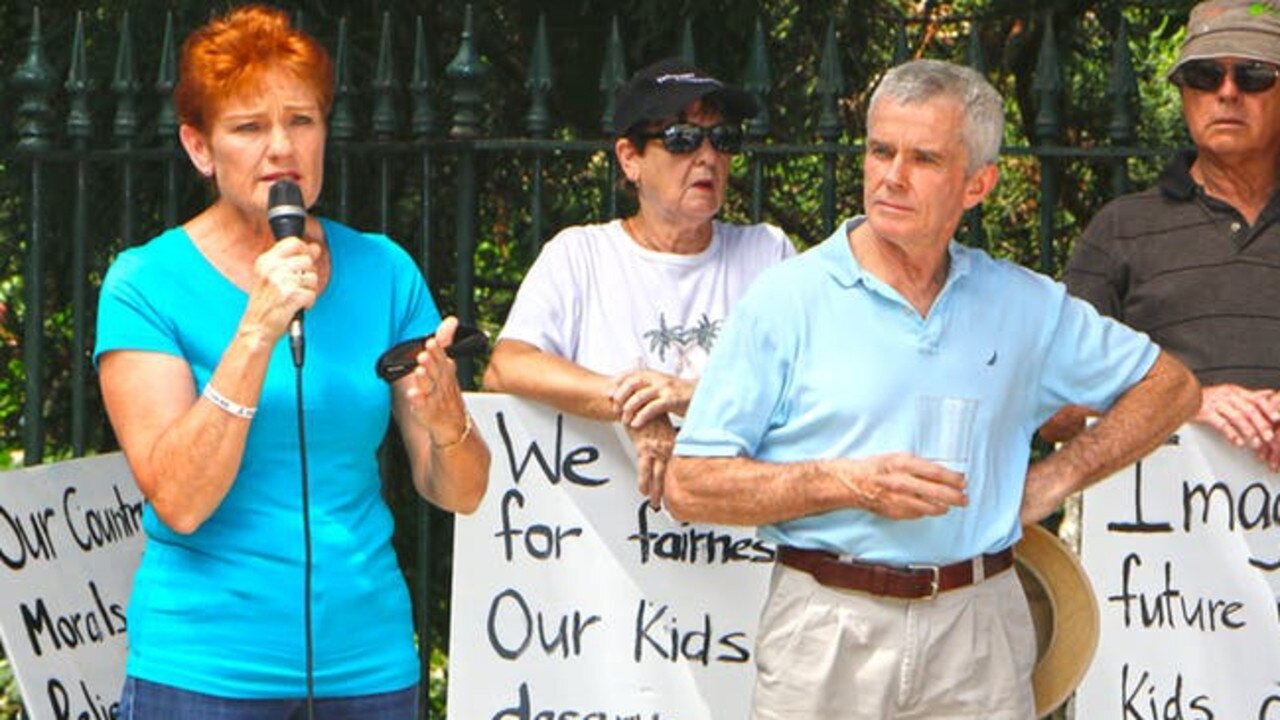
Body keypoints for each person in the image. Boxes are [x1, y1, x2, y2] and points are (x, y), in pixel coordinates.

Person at [665, 59, 1199, 719]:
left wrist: (1056, 480)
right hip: (828, 624)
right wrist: (848, 482)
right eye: (880, 150)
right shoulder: (787, 299)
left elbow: (1170, 387)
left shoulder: (1023, 304)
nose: (891, 176)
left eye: (923, 158)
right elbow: (689, 485)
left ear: (978, 184)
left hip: (978, 621)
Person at [93, 6, 489, 718]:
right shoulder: (146, 282)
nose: (282, 148)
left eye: (301, 121)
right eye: (249, 127)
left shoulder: (384, 271)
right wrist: (257, 330)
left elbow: (458, 490)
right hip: (205, 671)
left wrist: (448, 418)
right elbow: (179, 501)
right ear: (199, 146)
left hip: (369, 668)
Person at [483, 57, 794, 507]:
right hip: (605, 552)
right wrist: (635, 404)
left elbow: (812, 386)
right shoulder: (581, 256)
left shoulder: (768, 254)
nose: (708, 157)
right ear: (630, 159)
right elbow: (507, 366)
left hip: (736, 555)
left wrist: (688, 396)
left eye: (723, 139)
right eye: (682, 139)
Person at [1053, 0, 1280, 470]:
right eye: (1204, 75)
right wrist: (1186, 406)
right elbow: (1053, 410)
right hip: (1158, 536)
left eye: (1254, 75)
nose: (1227, 92)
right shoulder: (1120, 231)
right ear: (1183, 94)